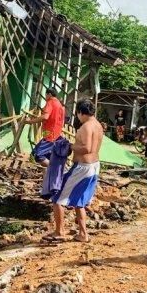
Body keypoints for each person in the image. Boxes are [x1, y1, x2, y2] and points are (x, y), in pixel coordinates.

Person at [46, 99, 104, 243]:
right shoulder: (98, 125)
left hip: (82, 167)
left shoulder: (86, 127)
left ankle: (59, 231)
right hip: (94, 166)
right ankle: (83, 234)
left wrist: (70, 146)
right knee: (79, 201)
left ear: (80, 112)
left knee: (57, 197)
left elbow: (86, 148)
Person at [24, 88, 66, 167]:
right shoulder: (60, 105)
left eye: (46, 95)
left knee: (38, 156)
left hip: (50, 135)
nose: (45, 97)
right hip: (54, 134)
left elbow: (45, 117)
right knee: (34, 154)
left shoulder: (50, 102)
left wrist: (30, 122)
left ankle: (55, 168)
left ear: (49, 94)